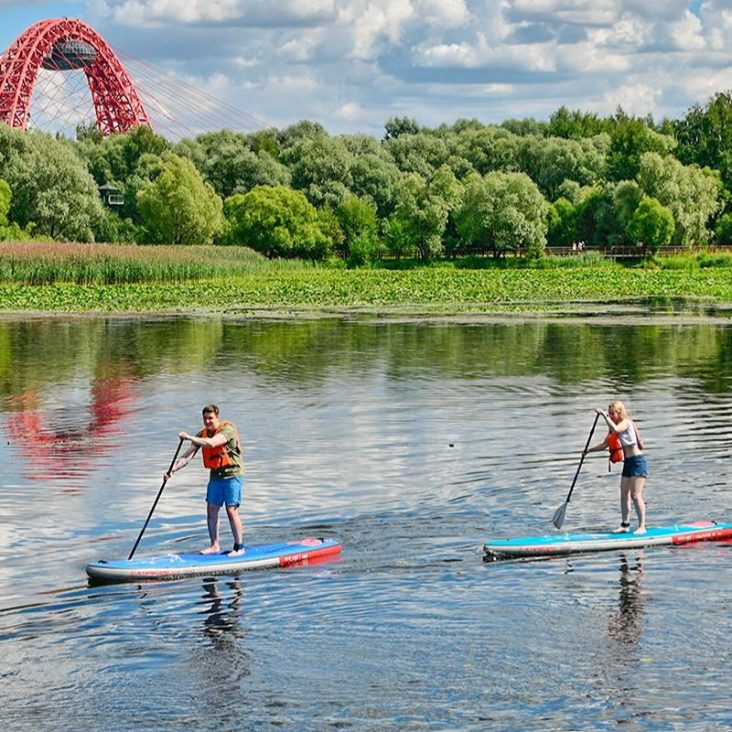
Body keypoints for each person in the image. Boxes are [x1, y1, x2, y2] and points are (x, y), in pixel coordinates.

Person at [165, 404, 245, 556]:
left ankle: (239, 547)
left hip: (232, 475)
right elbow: (187, 456)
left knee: (231, 510)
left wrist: (188, 437)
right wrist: (172, 470)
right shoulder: (201, 434)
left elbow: (213, 443)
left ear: (217, 417)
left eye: (210, 418)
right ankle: (215, 545)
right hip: (216, 477)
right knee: (212, 510)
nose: (207, 421)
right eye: (205, 418)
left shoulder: (227, 430)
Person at [584, 401, 648, 535]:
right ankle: (625, 525)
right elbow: (604, 445)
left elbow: (616, 429)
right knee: (624, 495)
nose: (610, 416)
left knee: (635, 495)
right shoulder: (613, 428)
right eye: (609, 414)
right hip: (628, 463)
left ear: (619, 413)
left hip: (637, 461)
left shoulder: (625, 423)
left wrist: (603, 415)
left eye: (612, 414)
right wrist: (588, 450)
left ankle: (642, 526)